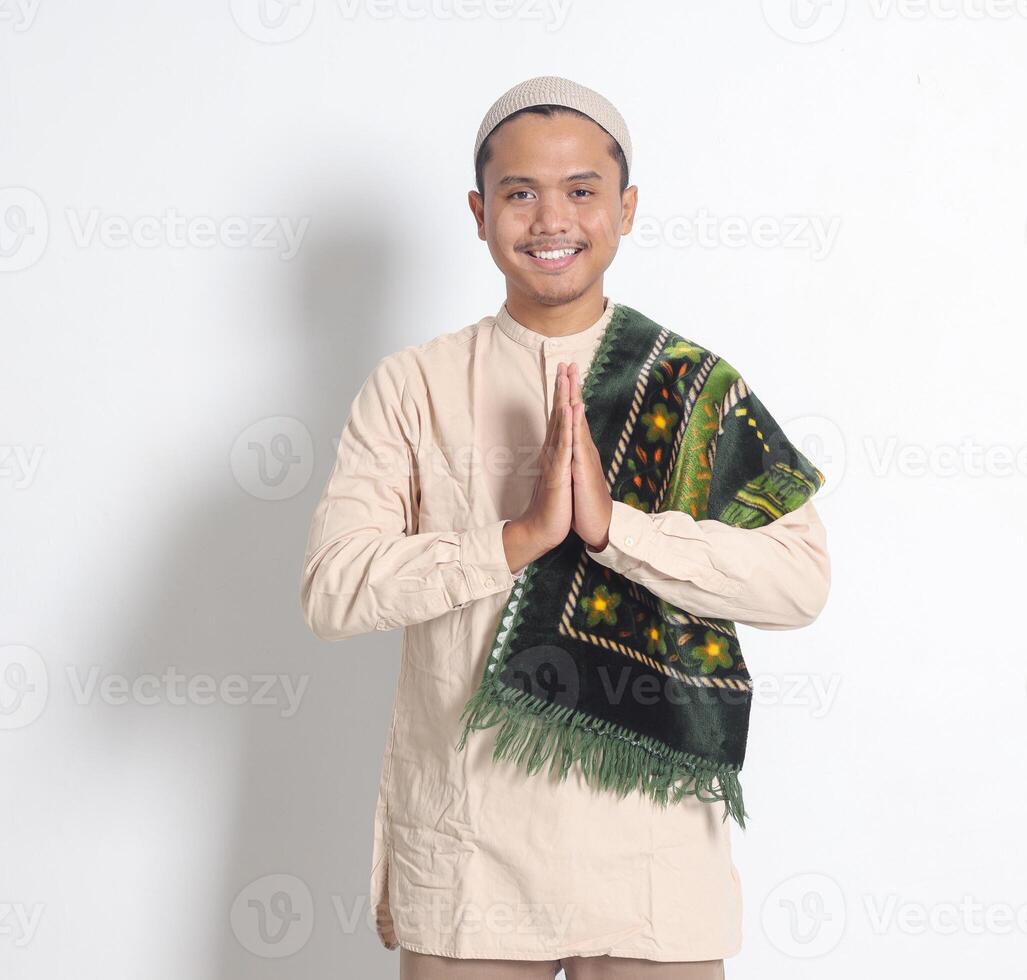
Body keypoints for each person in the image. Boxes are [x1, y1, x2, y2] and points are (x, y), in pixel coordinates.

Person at [300, 75, 831, 980]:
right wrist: (515, 539)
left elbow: (799, 583)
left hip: (653, 845)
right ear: (478, 211)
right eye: (520, 193)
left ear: (625, 210)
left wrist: (614, 528)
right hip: (470, 848)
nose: (553, 219)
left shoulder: (694, 386)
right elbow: (333, 592)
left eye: (582, 191)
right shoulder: (413, 386)